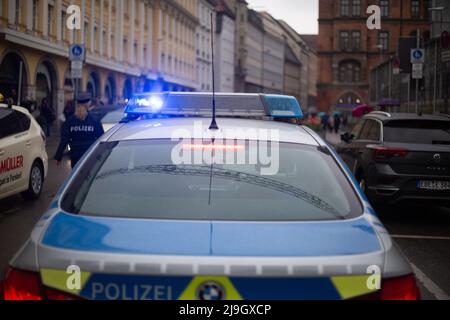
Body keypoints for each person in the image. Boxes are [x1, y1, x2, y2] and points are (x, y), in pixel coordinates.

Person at [54, 93, 105, 169]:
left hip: (75, 155)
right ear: (88, 105)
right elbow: (101, 138)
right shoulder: (94, 120)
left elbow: (64, 139)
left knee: (77, 178)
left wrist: (58, 157)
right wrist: (102, 154)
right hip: (89, 154)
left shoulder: (70, 121)